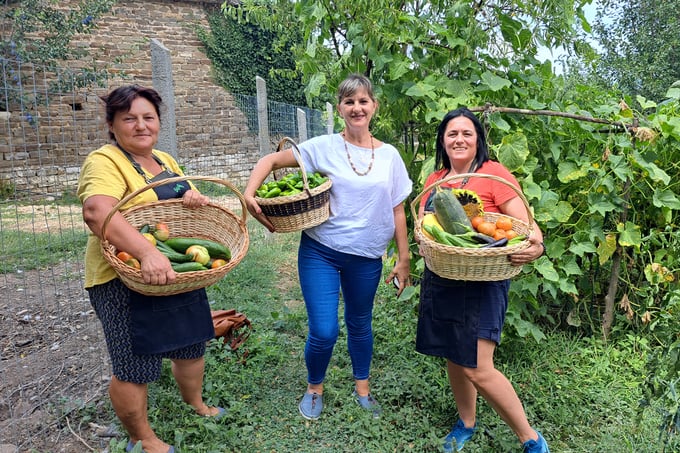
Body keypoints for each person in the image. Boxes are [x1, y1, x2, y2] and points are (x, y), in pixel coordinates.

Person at [244, 74, 412, 420]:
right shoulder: (322, 147)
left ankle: (362, 388)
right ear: (340, 108)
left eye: (363, 101)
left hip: (366, 257)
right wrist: (248, 195)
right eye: (349, 102)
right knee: (324, 329)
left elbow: (397, 208)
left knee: (360, 322)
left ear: (374, 106)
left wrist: (403, 257)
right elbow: (270, 161)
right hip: (321, 249)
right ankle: (314, 388)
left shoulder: (390, 156)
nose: (357, 108)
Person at [77, 85, 224, 453]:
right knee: (134, 360)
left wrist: (193, 197)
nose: (141, 126)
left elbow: (182, 204)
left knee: (191, 342)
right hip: (123, 277)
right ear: (111, 125)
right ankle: (141, 438)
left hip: (175, 272)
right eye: (129, 119)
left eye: (148, 117)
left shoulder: (165, 161)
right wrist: (145, 252)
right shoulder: (105, 160)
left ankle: (195, 403)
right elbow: (97, 211)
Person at [416, 107, 550, 453]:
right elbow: (424, 223)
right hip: (444, 274)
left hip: (484, 279)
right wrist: (421, 238)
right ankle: (467, 423)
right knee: (453, 354)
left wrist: (536, 247)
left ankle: (531, 439)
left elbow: (528, 227)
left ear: (478, 140)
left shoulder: (494, 173)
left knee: (477, 365)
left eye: (466, 134)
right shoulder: (436, 180)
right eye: (452, 134)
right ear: (442, 142)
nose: (459, 140)